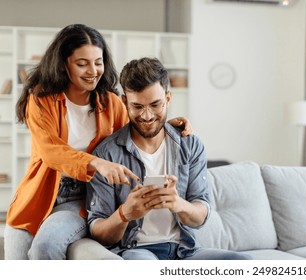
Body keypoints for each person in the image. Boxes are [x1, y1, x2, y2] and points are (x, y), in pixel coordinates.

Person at [4, 24, 192, 260]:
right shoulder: (42, 98)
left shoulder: (110, 102)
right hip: (39, 192)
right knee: (15, 259)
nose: (93, 70)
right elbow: (50, 151)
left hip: (84, 197)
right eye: (82, 64)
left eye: (98, 62)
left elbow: (132, 131)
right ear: (64, 64)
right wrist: (98, 163)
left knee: (46, 246)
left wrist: (161, 123)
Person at [86, 57, 252, 260]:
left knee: (244, 263)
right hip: (137, 251)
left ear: (168, 98)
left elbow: (201, 214)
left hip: (186, 250)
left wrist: (178, 203)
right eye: (137, 107)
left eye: (156, 105)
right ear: (124, 102)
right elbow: (99, 232)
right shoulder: (106, 154)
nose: (147, 116)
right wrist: (124, 213)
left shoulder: (190, 145)